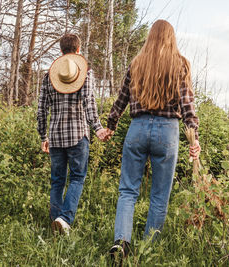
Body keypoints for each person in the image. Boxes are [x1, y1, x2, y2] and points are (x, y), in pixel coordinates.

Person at [103, 20, 201, 259]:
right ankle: (148, 249)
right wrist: (193, 138)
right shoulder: (180, 65)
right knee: (159, 194)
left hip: (137, 128)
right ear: (171, 38)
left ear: (150, 37)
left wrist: (111, 125)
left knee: (128, 190)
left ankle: (121, 243)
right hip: (167, 132)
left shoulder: (137, 63)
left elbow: (121, 99)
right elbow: (187, 106)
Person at [37, 33, 106, 235]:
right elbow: (89, 103)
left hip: (56, 138)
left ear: (61, 51)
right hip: (78, 136)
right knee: (77, 178)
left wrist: (43, 136)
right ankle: (64, 219)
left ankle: (55, 222)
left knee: (57, 180)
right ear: (78, 50)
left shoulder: (48, 76)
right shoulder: (85, 73)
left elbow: (41, 110)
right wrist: (98, 127)